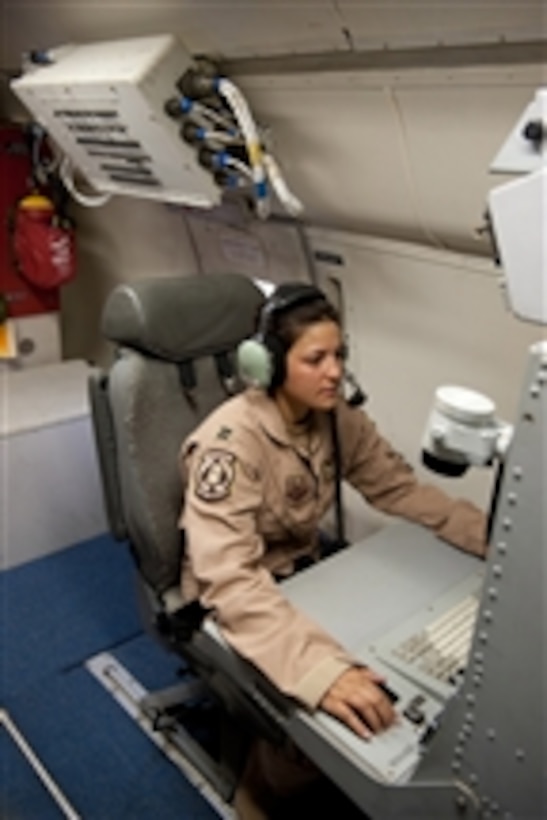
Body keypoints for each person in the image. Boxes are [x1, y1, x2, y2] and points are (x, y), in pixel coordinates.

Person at [178, 282, 487, 819]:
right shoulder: (228, 444)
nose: (334, 371)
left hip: (307, 576)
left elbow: (400, 489)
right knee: (335, 700)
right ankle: (262, 790)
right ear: (269, 366)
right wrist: (318, 670)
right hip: (235, 596)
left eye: (339, 354)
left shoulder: (335, 418)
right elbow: (228, 579)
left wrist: (501, 542)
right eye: (315, 358)